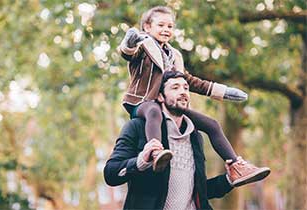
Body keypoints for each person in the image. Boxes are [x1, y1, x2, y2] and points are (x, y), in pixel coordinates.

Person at [118, 5, 270, 186]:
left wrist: (222, 91)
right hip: (143, 102)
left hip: (169, 104)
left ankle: (237, 167)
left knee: (211, 124)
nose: (166, 30)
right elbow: (128, 54)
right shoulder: (143, 47)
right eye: (161, 26)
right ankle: (156, 152)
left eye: (170, 26)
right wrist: (130, 42)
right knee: (154, 112)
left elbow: (190, 81)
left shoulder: (174, 56)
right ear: (147, 27)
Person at [104, 71, 244, 210]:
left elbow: (198, 192)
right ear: (160, 96)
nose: (183, 92)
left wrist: (228, 180)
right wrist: (141, 161)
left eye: (186, 88)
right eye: (175, 88)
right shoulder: (137, 127)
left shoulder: (195, 136)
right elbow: (110, 174)